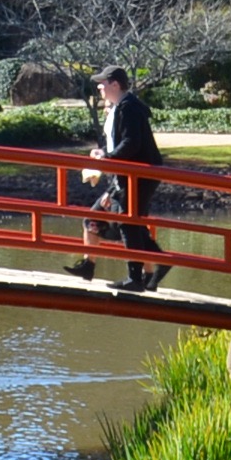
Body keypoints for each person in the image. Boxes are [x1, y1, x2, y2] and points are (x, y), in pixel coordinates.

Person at [87, 65, 171, 291]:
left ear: (115, 84)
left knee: (127, 221)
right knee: (129, 222)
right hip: (135, 174)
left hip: (140, 175)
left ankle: (136, 278)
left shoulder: (129, 108)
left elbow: (132, 143)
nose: (99, 87)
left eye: (103, 83)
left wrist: (108, 157)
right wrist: (106, 154)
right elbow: (124, 142)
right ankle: (158, 264)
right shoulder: (123, 106)